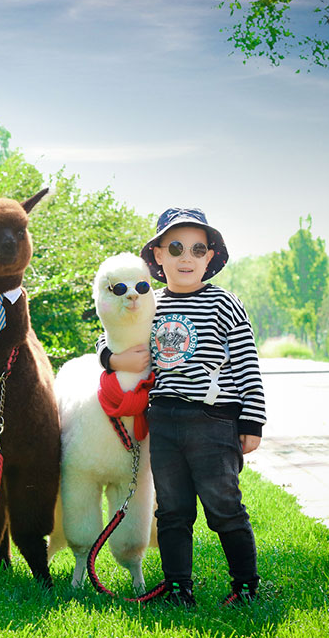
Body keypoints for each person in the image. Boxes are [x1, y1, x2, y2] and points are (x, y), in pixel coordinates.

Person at [96, 207, 265, 607]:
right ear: (157, 255)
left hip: (213, 418)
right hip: (164, 419)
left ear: (210, 257)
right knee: (171, 510)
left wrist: (252, 421)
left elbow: (247, 363)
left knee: (224, 505)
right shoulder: (149, 303)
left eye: (197, 249)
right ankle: (177, 588)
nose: (186, 257)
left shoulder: (225, 303)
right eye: (175, 248)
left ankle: (245, 585)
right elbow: (110, 335)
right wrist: (113, 359)